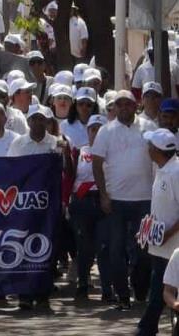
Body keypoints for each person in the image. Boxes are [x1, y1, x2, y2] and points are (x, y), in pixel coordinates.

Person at [91, 90, 155, 310]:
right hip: (116, 200)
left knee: (144, 250)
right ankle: (122, 295)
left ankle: (140, 290)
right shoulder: (105, 132)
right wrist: (103, 194)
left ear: (135, 105)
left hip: (145, 199)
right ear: (114, 107)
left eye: (128, 104)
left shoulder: (149, 128)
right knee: (116, 250)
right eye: (120, 104)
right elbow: (97, 163)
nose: (124, 108)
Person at [136, 128, 179, 334]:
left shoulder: (177, 173)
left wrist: (168, 235)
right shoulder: (162, 169)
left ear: (157, 150)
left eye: (150, 146)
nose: (147, 149)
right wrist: (148, 230)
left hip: (173, 248)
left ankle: (146, 329)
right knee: (161, 289)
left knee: (160, 291)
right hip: (160, 246)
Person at [68, 114, 113, 301]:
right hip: (82, 203)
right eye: (93, 129)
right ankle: (83, 284)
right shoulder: (78, 152)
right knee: (84, 246)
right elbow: (69, 178)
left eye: (100, 129)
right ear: (88, 131)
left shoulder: (114, 152)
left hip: (105, 203)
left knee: (104, 246)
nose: (96, 132)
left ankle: (107, 288)